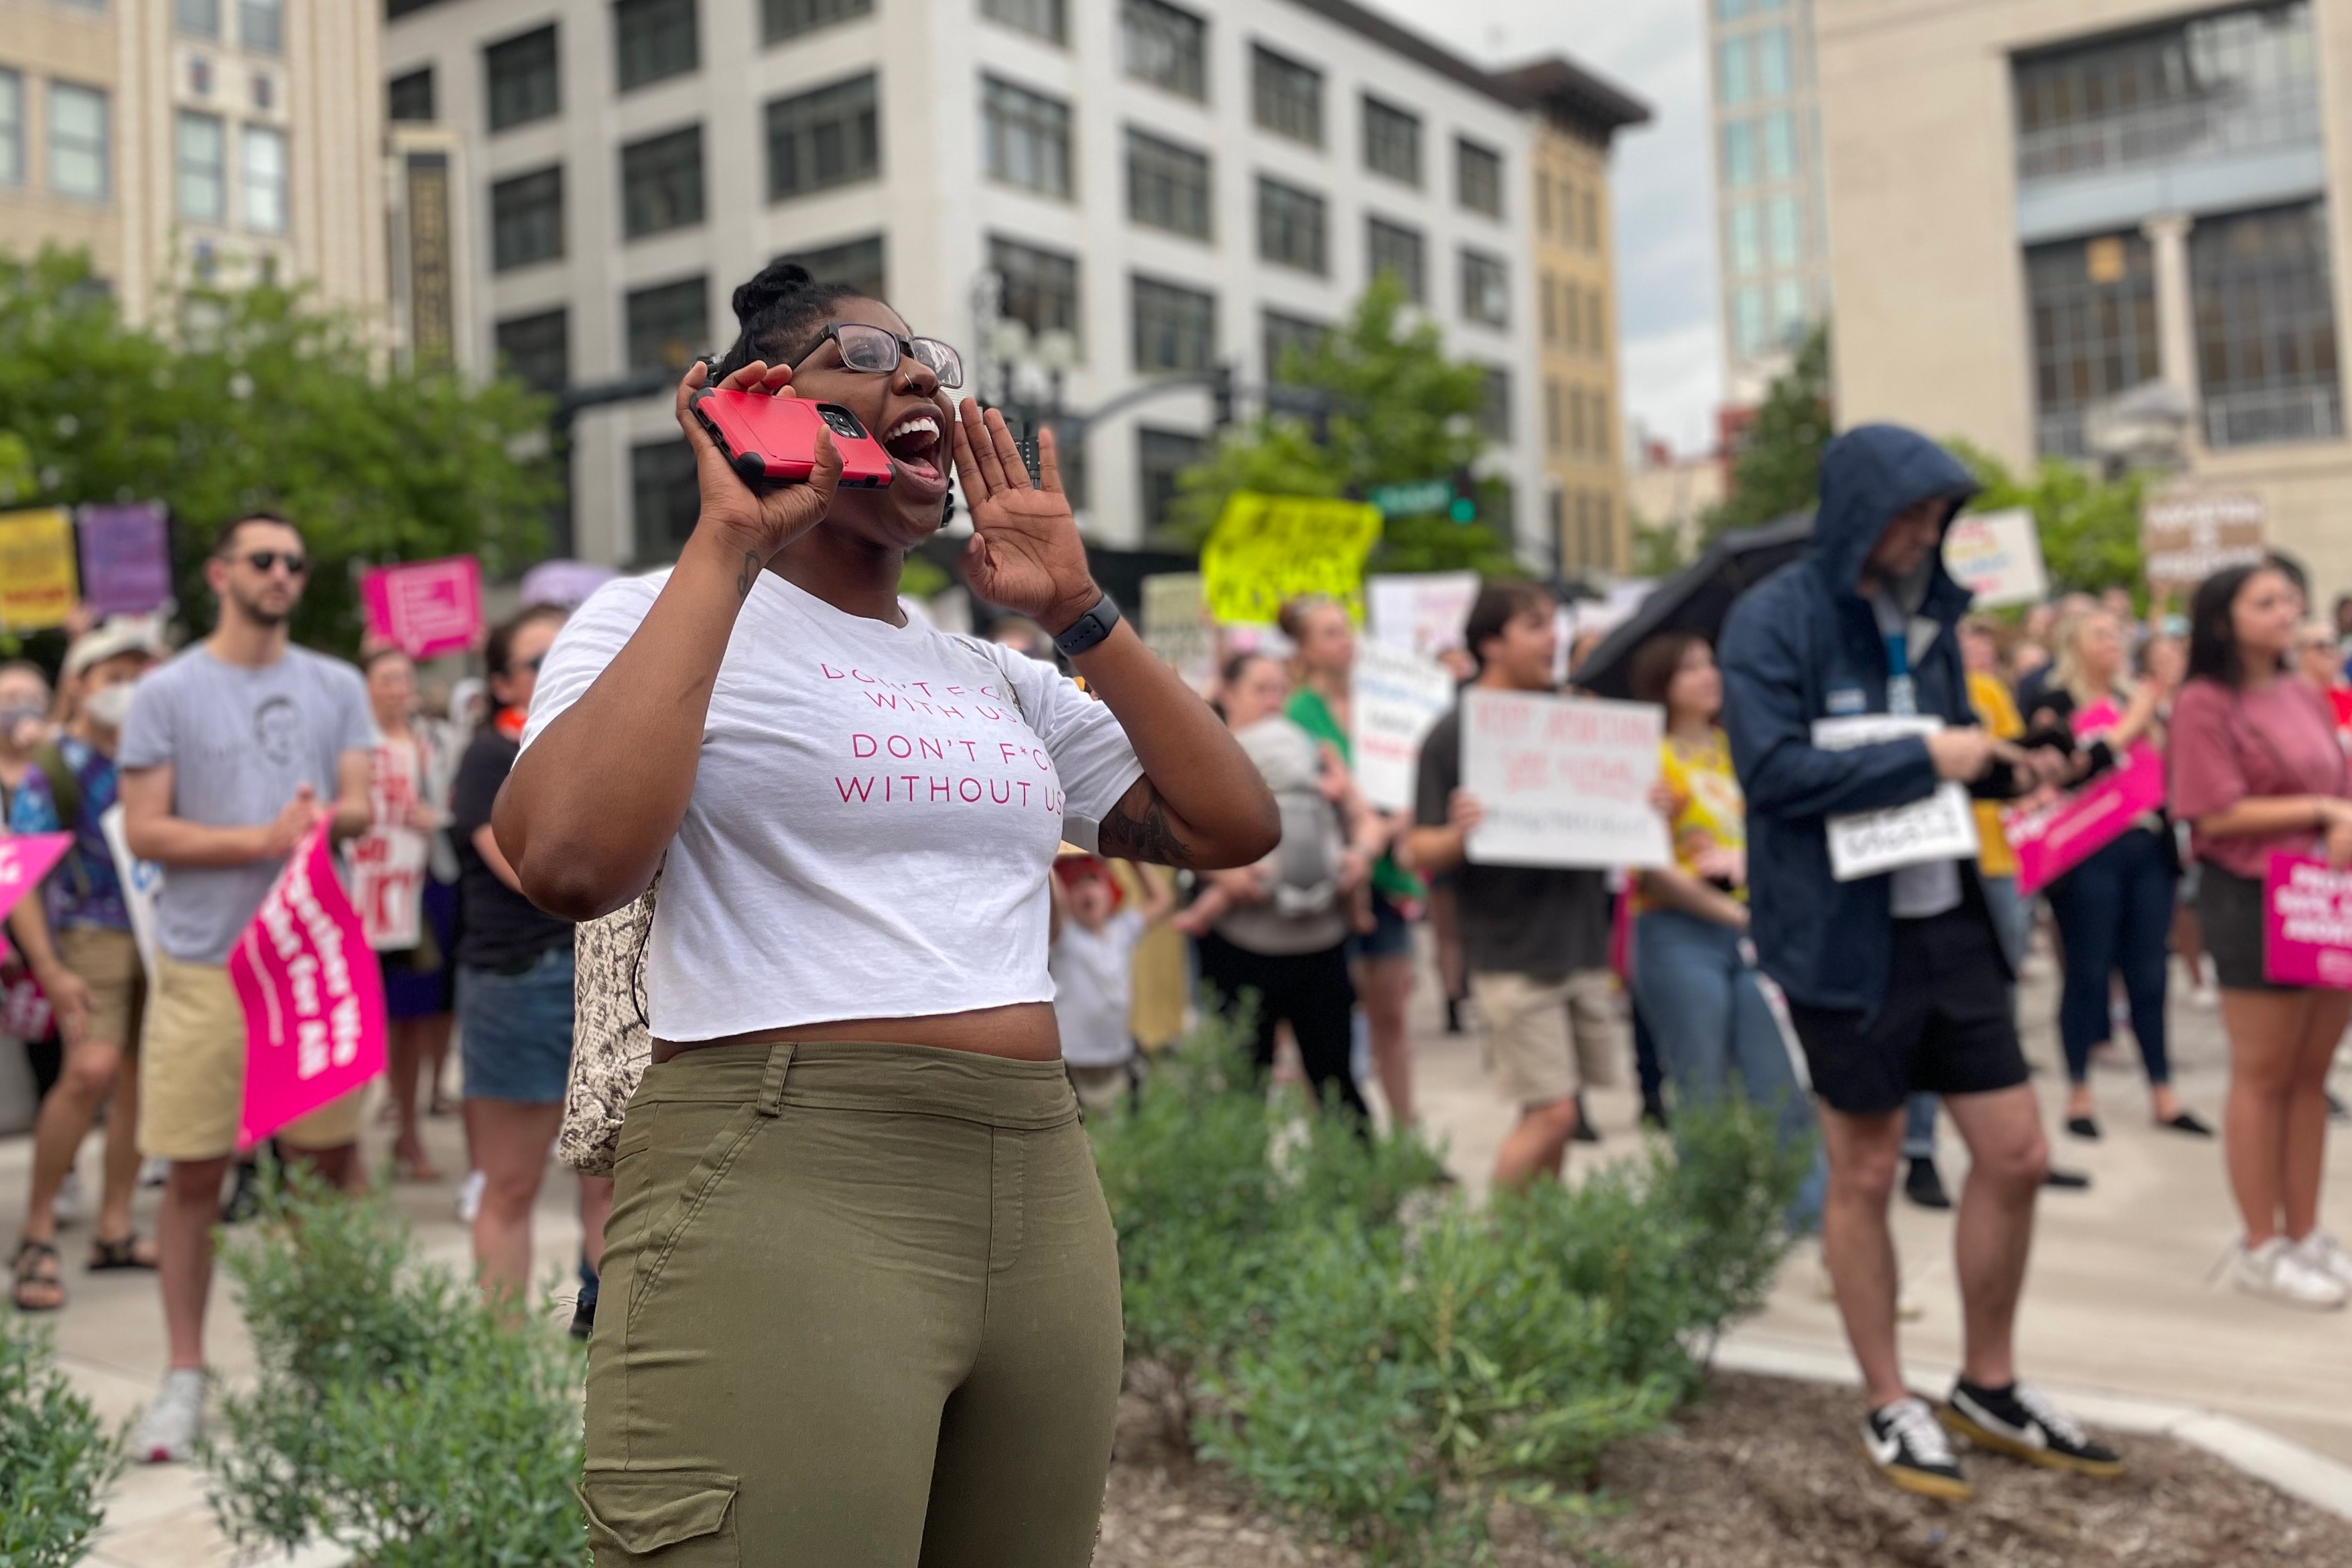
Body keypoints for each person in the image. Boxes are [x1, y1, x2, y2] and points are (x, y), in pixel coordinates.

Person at [495, 261, 1277, 1566]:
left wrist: (1077, 610)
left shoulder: (995, 675)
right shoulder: (649, 618)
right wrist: (729, 540)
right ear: (747, 404)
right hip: (784, 1172)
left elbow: (1228, 825)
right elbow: (569, 862)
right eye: (865, 353)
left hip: (1037, 1179)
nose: (921, 377)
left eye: (934, 363)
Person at [1719, 426, 2119, 1502]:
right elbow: (1771, 774)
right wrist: (1923, 756)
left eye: (1936, 517)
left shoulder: (1934, 618)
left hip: (1947, 921)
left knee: (2017, 1151)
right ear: (1855, 509)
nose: (1924, 533)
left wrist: (2010, 767)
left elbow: (1946, 757)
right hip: (1837, 940)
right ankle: (1887, 1396)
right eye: (1907, 514)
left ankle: (1986, 1383)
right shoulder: (1772, 620)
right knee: (1863, 1166)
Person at [116, 511, 376, 1463]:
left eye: (295, 563)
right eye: (263, 560)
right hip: (205, 966)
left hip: (311, 965)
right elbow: (144, 830)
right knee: (193, 1176)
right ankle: (183, 1377)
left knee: (323, 1175)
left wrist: (325, 820)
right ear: (220, 573)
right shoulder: (167, 691)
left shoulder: (336, 683)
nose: (281, 574)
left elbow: (358, 801)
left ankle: (321, 1367)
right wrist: (254, 841)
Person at [2170, 563, 2352, 1309]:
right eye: (2267, 601)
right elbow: (2211, 812)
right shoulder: (2203, 704)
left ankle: (2305, 1231)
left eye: (2290, 598)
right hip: (2251, 894)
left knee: (2313, 1073)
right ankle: (2259, 1243)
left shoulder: (2302, 695)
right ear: (2224, 619)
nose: (2288, 611)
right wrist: (2321, 810)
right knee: (2264, 1072)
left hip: (2323, 893)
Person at [1403, 580, 1622, 1189]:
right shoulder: (1452, 733)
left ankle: (1536, 1243)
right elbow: (1419, 845)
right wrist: (1460, 833)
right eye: (1535, 625)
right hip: (1512, 953)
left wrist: (1642, 798)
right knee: (1552, 1115)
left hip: (1579, 943)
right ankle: (1496, 1257)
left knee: (1558, 1111)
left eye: (1553, 623)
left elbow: (1616, 808)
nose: (1552, 638)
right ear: (1491, 643)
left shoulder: (1577, 717)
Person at [1625, 633, 1823, 1230]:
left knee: (1781, 1082)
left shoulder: (1736, 750)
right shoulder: (1647, 760)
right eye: (1690, 667)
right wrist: (1735, 913)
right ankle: (1706, 1227)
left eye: (1711, 663)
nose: (1709, 675)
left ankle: (1815, 1225)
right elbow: (1649, 868)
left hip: (1754, 930)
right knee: (1702, 1087)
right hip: (1678, 933)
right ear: (1664, 683)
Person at [448, 605, 610, 1307]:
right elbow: (536, 875)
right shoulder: (489, 755)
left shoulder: (604, 737)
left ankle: (612, 1361)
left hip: (596, 978)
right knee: (510, 1183)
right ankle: (501, 1372)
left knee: (611, 1181)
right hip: (519, 983)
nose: (557, 670)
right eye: (537, 662)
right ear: (503, 684)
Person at [7, 623, 166, 1312]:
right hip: (88, 935)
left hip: (157, 933)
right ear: (80, 683)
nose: (127, 687)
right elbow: (23, 876)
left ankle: (114, 1225)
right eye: (113, 674)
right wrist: (48, 964)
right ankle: (38, 1229)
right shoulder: (55, 764)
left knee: (139, 1080)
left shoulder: (155, 757)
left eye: (138, 672)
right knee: (91, 1070)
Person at [2024, 607, 2205, 1140]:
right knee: (2088, 969)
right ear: (2073, 643)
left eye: (2117, 634)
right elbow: (2069, 770)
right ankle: (2079, 1092)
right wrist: (2131, 723)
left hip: (2148, 848)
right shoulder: (2053, 704)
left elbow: (2168, 766)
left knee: (2150, 971)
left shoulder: (2135, 697)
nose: (2113, 642)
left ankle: (2163, 1091)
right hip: (2087, 856)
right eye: (2100, 634)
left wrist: (2155, 713)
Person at [1175, 650, 1379, 1123]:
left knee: (1335, 1081)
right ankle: (1244, 1189)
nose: (1273, 700)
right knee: (1245, 1083)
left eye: (1279, 690)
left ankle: (1359, 1187)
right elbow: (1168, 833)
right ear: (1227, 692)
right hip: (1243, 945)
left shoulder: (1314, 749)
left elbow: (1365, 821)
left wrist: (1360, 857)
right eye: (1260, 689)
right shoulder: (1202, 753)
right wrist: (1223, 872)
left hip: (1320, 941)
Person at [1280, 596, 1423, 1127]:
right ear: (1306, 649)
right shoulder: (1298, 713)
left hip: (1386, 874)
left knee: (1392, 1014)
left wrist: (1406, 815)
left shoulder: (1381, 705)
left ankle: (1408, 1135)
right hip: (1335, 875)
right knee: (1329, 1022)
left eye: (1347, 630)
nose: (1346, 642)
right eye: (1330, 633)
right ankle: (1336, 1140)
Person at [355, 648, 453, 1183]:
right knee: (363, 1018)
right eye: (387, 678)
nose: (399, 688)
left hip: (417, 888)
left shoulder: (431, 741)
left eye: (405, 678)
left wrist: (435, 816)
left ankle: (408, 1132)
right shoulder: (349, 742)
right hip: (362, 891)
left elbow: (455, 805)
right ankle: (346, 1142)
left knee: (413, 1018)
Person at [1047, 854, 1174, 1116]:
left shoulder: (1121, 931)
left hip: (1116, 1055)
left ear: (1111, 892)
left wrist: (1133, 858)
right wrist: (1048, 858)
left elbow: (1163, 900)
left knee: (1116, 1133)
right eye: (1077, 885)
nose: (1087, 890)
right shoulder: (1065, 937)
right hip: (1073, 1060)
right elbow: (1055, 899)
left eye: (1094, 880)